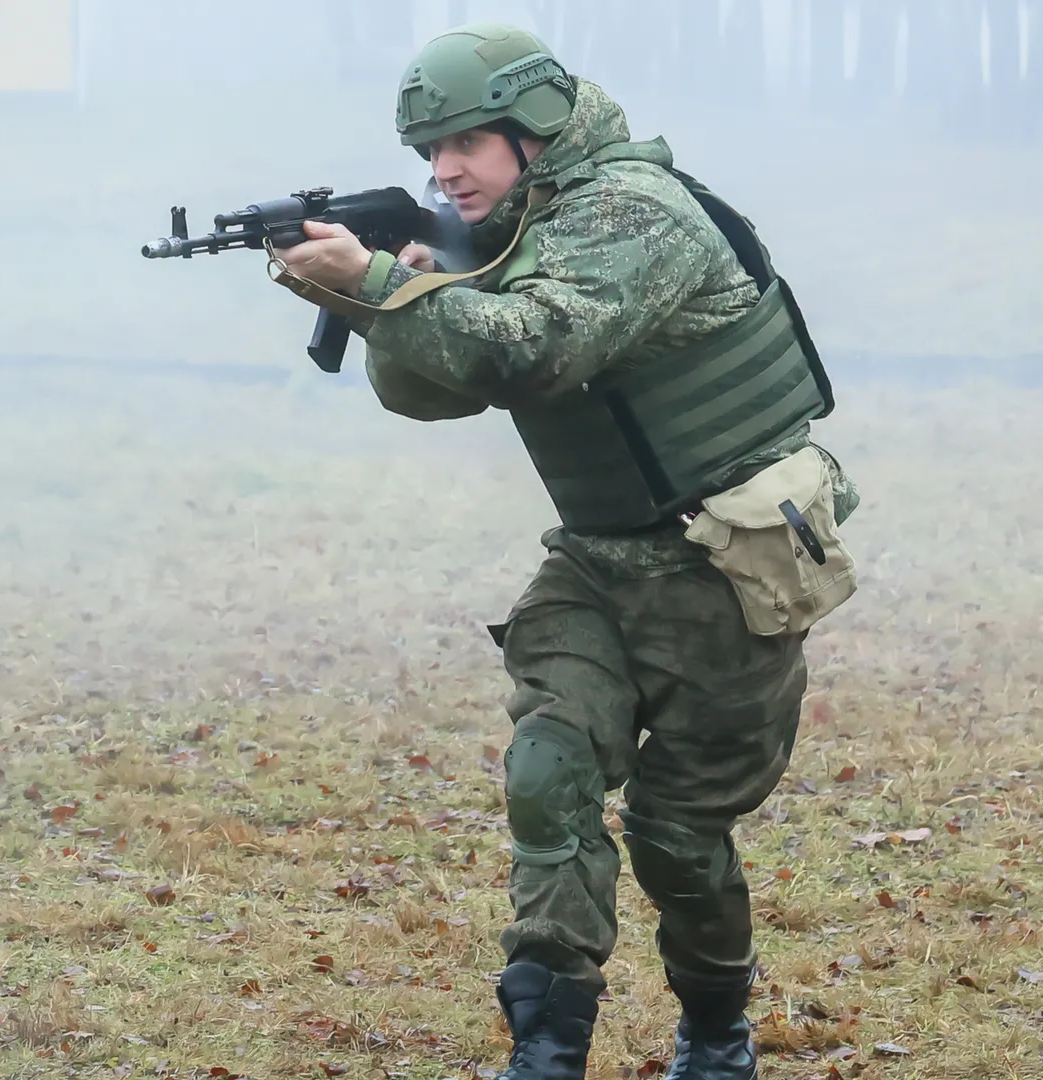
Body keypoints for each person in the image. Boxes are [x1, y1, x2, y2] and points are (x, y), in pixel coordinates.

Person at [273, 22, 860, 1080]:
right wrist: (372, 296)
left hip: (721, 573)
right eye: (429, 154)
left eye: (466, 145)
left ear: (537, 129)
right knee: (547, 777)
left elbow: (536, 348)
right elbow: (437, 390)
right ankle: (546, 1055)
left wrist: (379, 283)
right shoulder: (513, 228)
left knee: (680, 843)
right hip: (595, 564)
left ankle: (717, 1038)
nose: (445, 172)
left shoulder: (635, 215)